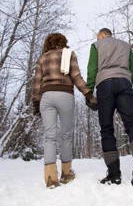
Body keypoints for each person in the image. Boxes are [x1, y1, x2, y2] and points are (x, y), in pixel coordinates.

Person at [86, 28, 133, 190]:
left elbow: (92, 70)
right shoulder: (125, 46)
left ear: (101, 35)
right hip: (124, 83)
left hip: (104, 85)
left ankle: (114, 175)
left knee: (107, 129)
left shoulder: (96, 45)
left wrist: (89, 92)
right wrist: (128, 82)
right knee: (132, 124)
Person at [32, 33, 96, 188]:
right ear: (63, 42)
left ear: (48, 43)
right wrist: (88, 94)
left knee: (49, 137)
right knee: (66, 135)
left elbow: (37, 83)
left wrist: (36, 102)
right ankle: (66, 174)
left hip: (46, 97)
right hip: (65, 95)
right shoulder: (68, 54)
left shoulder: (42, 58)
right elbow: (76, 76)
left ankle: (50, 178)